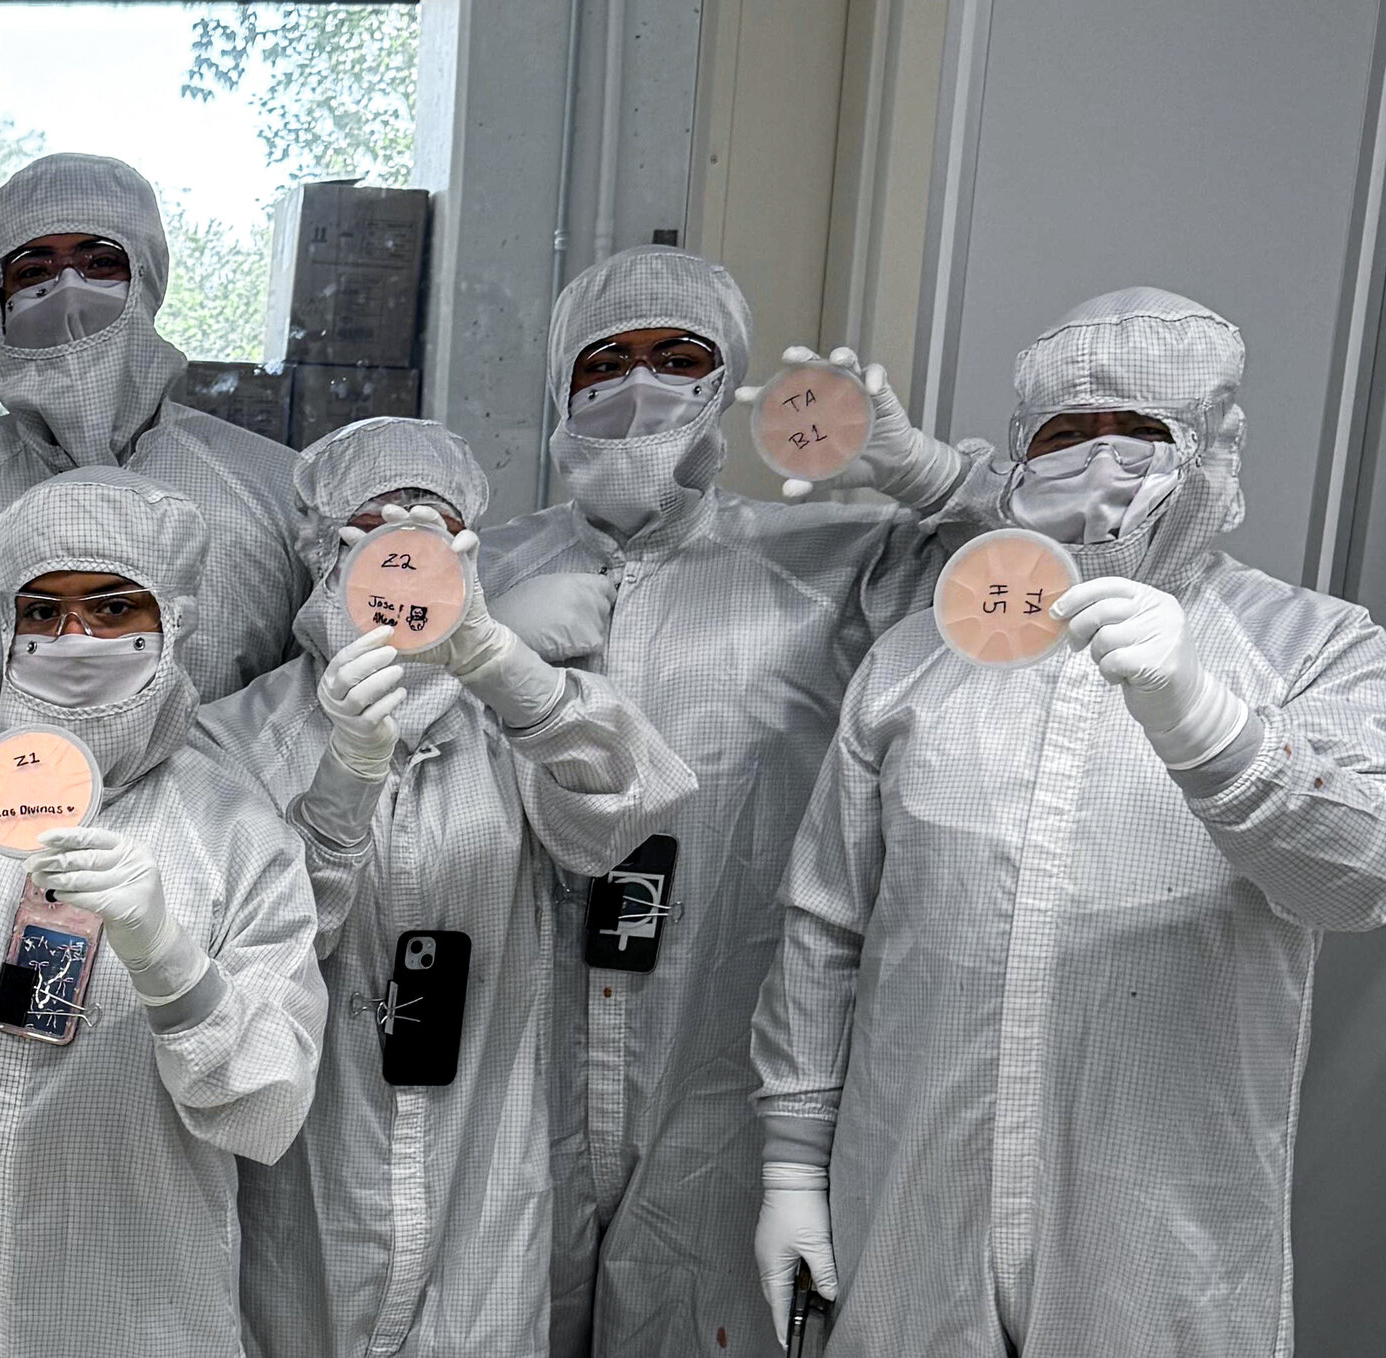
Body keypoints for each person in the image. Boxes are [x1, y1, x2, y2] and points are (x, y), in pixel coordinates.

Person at [750, 288, 1386, 1358]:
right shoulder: (919, 658)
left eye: (1138, 430)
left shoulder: (1312, 646)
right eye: (1063, 434)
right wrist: (791, 1163)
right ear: (1019, 455)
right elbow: (826, 921)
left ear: (1216, 446)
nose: (1097, 461)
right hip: (906, 1203)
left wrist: (1208, 723)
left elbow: (1358, 875)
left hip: (1158, 1230)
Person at [473, 245, 973, 1354]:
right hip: (513, 1061)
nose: (639, 384)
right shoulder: (482, 572)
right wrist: (477, 639)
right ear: (560, 383)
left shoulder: (832, 564)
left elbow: (1043, 593)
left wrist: (933, 479)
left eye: (678, 357)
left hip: (721, 1064)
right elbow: (338, 718)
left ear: (727, 378)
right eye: (605, 361)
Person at [0, 466, 324, 1356]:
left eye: (114, 609)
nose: (73, 637)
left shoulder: (237, 832)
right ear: (5, 631)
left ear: (174, 623)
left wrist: (171, 965)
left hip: (134, 1311)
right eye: (42, 612)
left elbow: (265, 1111)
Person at [201, 417, 694, 1358]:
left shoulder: (505, 717)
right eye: (373, 523)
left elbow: (628, 807)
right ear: (320, 545)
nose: (402, 546)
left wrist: (497, 661)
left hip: (483, 1172)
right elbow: (249, 951)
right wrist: (343, 781)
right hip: (307, 1173)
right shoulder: (237, 734)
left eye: (431, 524)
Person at [0, 153, 308, 801]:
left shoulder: (272, 490)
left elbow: (311, 730)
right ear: (0, 300)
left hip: (218, 854)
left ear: (148, 276)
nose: (67, 288)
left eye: (100, 261)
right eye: (34, 271)